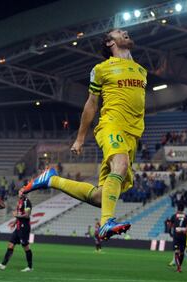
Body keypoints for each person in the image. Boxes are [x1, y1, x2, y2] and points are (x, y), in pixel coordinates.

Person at [21, 28, 147, 241]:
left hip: (133, 134)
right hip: (111, 126)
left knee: (101, 196)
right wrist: (80, 138)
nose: (125, 32)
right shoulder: (101, 69)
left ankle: (51, 180)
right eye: (119, 31)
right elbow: (91, 104)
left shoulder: (140, 70)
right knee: (121, 164)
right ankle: (107, 223)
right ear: (109, 42)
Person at [0, 190, 33, 272]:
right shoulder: (20, 202)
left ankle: (29, 267)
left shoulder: (27, 202)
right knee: (11, 244)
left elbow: (27, 215)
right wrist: (14, 223)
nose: (19, 193)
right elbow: (19, 215)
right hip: (18, 227)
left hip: (24, 228)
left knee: (26, 247)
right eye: (19, 192)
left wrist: (16, 215)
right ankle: (3, 265)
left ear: (24, 193)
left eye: (21, 192)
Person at [170, 203, 187, 273]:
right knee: (181, 253)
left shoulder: (174, 216)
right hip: (183, 236)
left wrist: (170, 232)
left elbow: (170, 225)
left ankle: (178, 268)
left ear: (177, 208)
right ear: (183, 209)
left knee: (176, 252)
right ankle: (179, 267)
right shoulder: (186, 216)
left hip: (177, 236)